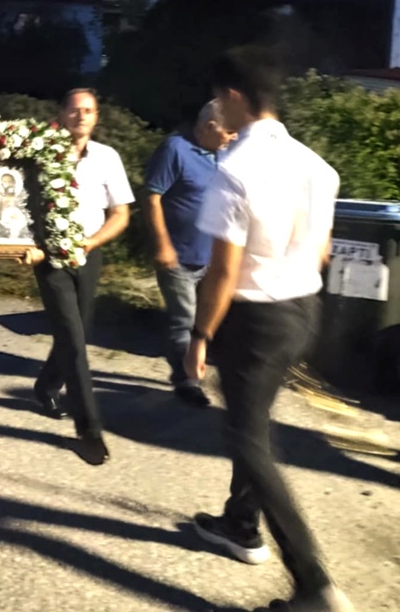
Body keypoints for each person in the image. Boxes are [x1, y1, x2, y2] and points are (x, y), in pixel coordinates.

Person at [184, 52, 351, 612]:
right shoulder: (317, 167)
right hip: (303, 310)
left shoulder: (235, 170)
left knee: (248, 439)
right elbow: (322, 251)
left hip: (255, 321)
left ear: (233, 96)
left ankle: (314, 584)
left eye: (219, 98)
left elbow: (222, 272)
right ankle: (239, 522)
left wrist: (200, 335)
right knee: (253, 422)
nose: (217, 108)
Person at [23, 88, 135, 466]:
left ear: (96, 117)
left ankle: (46, 385)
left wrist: (90, 243)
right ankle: (89, 431)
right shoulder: (38, 155)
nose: (81, 116)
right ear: (61, 113)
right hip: (49, 257)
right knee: (73, 338)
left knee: (79, 332)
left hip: (88, 252)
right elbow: (16, 204)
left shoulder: (107, 157)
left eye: (88, 110)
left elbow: (120, 214)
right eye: (74, 110)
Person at [143, 99, 236, 407]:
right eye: (229, 130)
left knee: (210, 319)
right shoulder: (175, 149)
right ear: (210, 126)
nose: (234, 136)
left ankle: (203, 369)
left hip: (215, 256)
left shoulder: (224, 153)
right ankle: (187, 382)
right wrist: (162, 245)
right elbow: (152, 198)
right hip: (179, 255)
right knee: (184, 320)